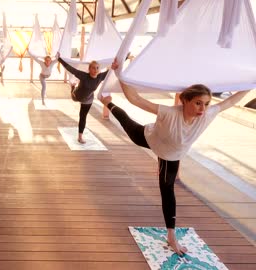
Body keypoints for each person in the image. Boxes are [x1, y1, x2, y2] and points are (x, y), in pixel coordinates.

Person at [99, 58, 251, 256]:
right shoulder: (169, 112)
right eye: (197, 103)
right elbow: (136, 100)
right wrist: (120, 75)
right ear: (185, 100)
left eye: (205, 104)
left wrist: (251, 83)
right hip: (148, 137)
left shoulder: (207, 114)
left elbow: (230, 101)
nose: (202, 109)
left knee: (167, 188)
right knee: (126, 121)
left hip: (171, 155)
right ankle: (108, 104)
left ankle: (171, 236)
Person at [57, 52, 111, 143]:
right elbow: (71, 69)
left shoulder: (100, 77)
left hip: (88, 98)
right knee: (73, 96)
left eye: (97, 68)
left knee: (83, 116)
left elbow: (111, 70)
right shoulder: (83, 75)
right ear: (89, 69)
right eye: (93, 68)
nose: (95, 70)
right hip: (76, 96)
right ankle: (73, 88)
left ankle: (80, 137)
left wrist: (124, 58)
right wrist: (59, 59)